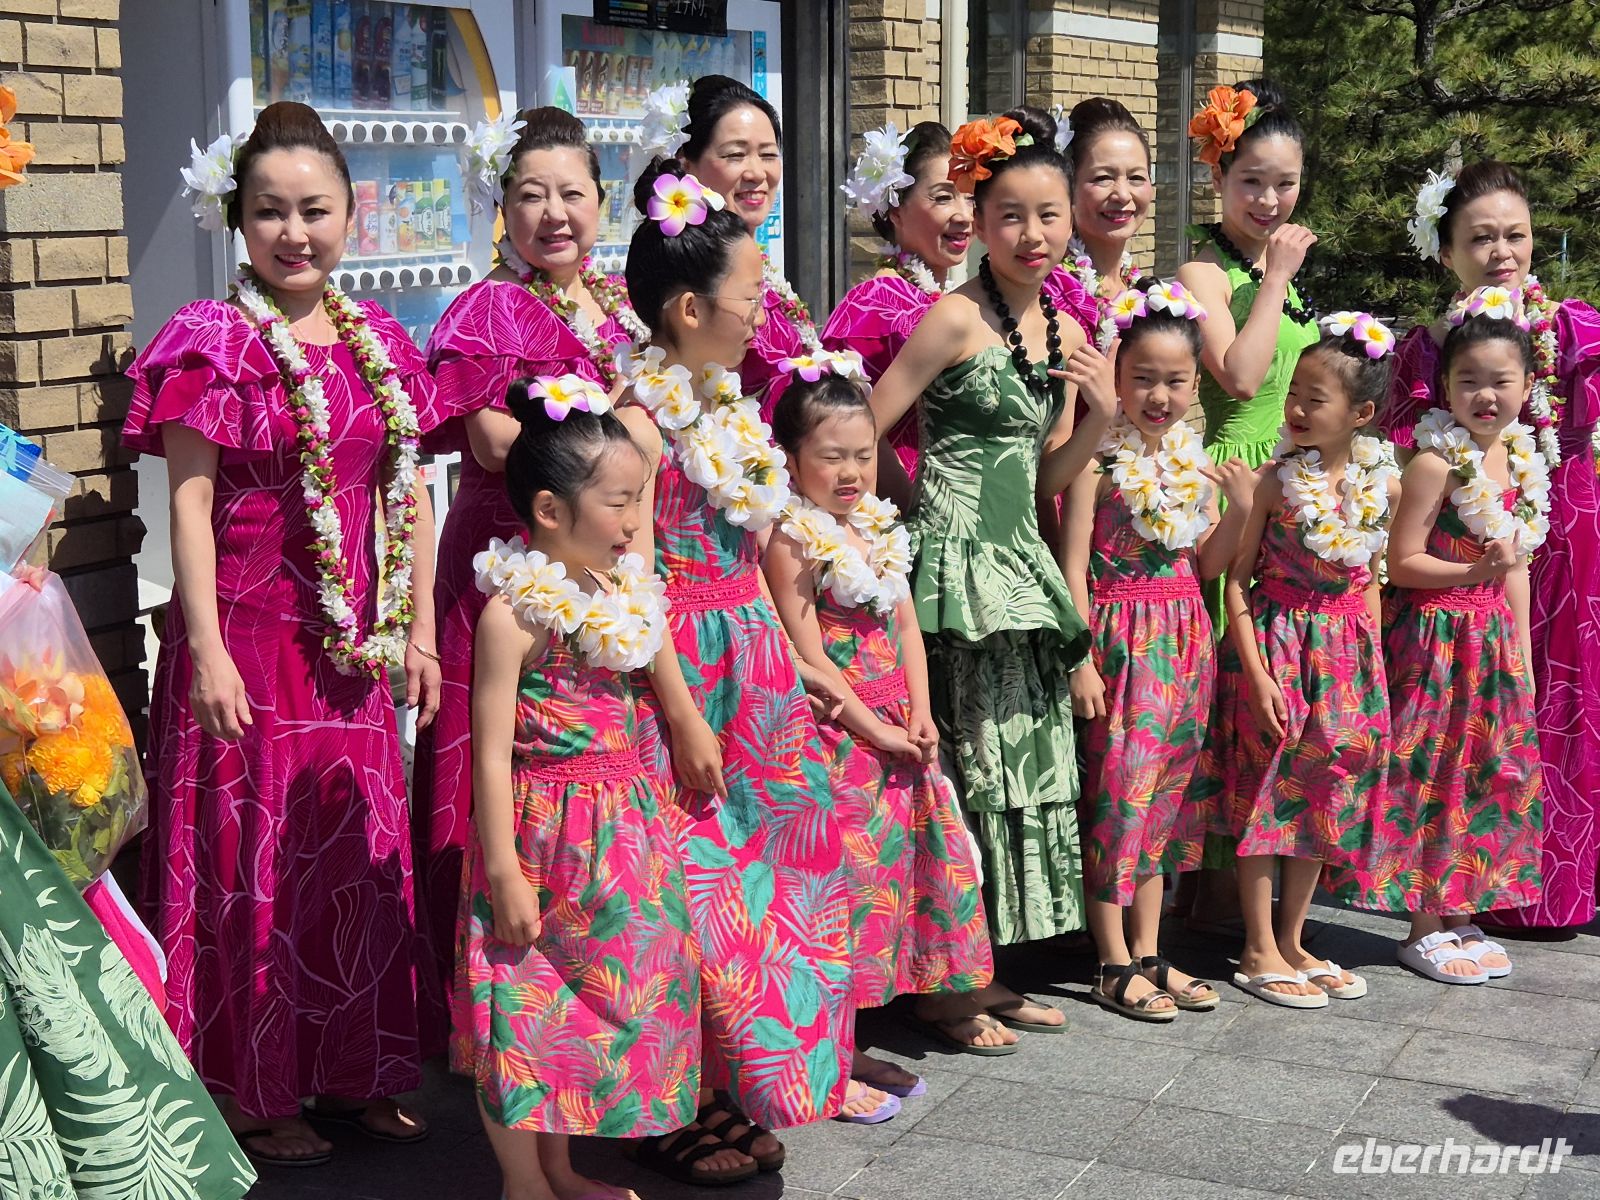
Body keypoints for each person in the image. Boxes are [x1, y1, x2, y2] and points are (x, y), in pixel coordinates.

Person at [124, 101, 440, 1166]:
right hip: (249, 637)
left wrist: (420, 631)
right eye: (270, 213)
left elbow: (413, 494)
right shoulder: (209, 343)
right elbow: (188, 507)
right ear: (237, 222)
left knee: (351, 856)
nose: (293, 233)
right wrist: (202, 645)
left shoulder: (382, 342)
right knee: (251, 858)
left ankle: (352, 1072)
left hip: (350, 649)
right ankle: (253, 1090)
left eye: (314, 210)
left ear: (354, 214)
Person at [612, 160, 857, 1185]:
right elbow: (632, 581)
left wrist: (798, 662)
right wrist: (681, 714)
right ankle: (682, 1101)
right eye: (749, 295)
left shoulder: (732, 405)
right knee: (692, 894)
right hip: (680, 672)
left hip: (749, 661)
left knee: (770, 883)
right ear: (686, 306)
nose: (762, 312)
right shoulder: (635, 419)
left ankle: (741, 1082)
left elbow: (758, 550)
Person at [868, 107, 1115, 1045]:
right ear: (982, 219)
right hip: (953, 574)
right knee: (964, 770)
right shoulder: (952, 317)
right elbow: (868, 427)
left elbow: (1049, 477)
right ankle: (943, 986)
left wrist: (1096, 417)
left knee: (1018, 764)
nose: (1034, 234)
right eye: (1011, 215)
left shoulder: (1059, 324)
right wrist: (921, 512)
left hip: (1021, 564)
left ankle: (982, 965)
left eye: (1049, 215)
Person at [414, 106, 646, 1043]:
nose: (554, 213)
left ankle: (586, 984)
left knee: (586, 765)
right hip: (504, 563)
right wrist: (614, 441)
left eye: (573, 194)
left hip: (600, 561)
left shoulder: (621, 302)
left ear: (603, 201)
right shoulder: (486, 309)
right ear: (499, 205)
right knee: (495, 753)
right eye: (529, 194)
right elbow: (493, 438)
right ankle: (478, 1004)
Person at [453, 377, 700, 1200]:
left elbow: (649, 671)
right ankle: (524, 1183)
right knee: (520, 1007)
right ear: (552, 512)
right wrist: (501, 871)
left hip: (622, 823)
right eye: (620, 502)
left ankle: (561, 1166)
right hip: (540, 832)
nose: (635, 521)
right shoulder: (514, 616)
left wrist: (685, 727)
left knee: (590, 1002)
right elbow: (488, 754)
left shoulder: (616, 588)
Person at [1380, 160, 1600, 934]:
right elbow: (1404, 451)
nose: (1502, 251)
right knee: (1479, 712)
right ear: (1447, 251)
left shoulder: (1576, 326)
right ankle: (1476, 890)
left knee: (1571, 698)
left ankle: (1565, 885)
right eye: (1481, 238)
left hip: (1570, 529)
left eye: (1516, 234)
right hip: (1466, 547)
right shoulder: (1431, 347)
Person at [765, 367, 994, 1098]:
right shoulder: (791, 540)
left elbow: (904, 625)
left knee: (899, 877)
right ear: (793, 457)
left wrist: (920, 714)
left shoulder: (876, 525)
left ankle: (887, 1018)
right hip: (840, 735)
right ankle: (835, 1053)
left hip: (898, 723)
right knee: (846, 889)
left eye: (863, 455)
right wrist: (874, 730)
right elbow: (808, 657)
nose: (851, 471)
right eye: (832, 456)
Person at [1059, 278, 1250, 1020]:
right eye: (1142, 378)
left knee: (1164, 803)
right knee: (1118, 798)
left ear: (1196, 382)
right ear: (1116, 378)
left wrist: (1235, 511)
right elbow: (1072, 565)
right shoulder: (1096, 464)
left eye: (1174, 381)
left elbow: (1206, 563)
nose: (1158, 395)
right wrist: (1079, 658)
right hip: (1118, 640)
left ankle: (1150, 950)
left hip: (1183, 641)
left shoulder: (1194, 467)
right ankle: (1110, 960)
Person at [1200, 315, 1399, 1007]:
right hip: (1280, 644)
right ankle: (1256, 945)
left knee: (1325, 795)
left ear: (1362, 414)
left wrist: (1370, 670)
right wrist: (1255, 673)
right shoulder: (1273, 481)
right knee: (1265, 793)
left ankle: (1292, 937)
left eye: (1317, 398)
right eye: (1296, 393)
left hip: (1346, 654)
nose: (1298, 408)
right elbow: (1234, 580)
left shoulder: (1386, 486)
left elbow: (1371, 577)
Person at [1350, 304, 1547, 982]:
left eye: (1501, 381)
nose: (1485, 396)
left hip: (1489, 639)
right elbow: (1402, 564)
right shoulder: (1434, 463)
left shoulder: (1519, 459)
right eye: (1468, 381)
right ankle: (1422, 923)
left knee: (1484, 774)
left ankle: (1465, 911)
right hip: (1435, 638)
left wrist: (1518, 649)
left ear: (1527, 387)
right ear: (1445, 388)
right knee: (1429, 776)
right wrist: (1474, 571)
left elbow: (1514, 563)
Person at [1175, 78, 1321, 932]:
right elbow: (1237, 375)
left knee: (1278, 685)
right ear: (1219, 182)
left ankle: (1248, 900)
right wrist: (1276, 278)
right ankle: (1209, 897)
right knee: (1231, 684)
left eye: (1285, 183)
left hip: (1292, 488)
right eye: (1251, 182)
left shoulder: (1282, 271)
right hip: (1235, 480)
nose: (1269, 200)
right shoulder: (1206, 270)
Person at [651, 75, 819, 415]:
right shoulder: (671, 280)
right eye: (735, 155)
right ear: (685, 162)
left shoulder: (767, 278)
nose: (757, 172)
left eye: (768, 155)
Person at [821, 120, 972, 495]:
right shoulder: (875, 304)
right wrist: (910, 509)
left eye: (970, 196)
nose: (964, 214)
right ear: (895, 210)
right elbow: (846, 424)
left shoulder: (947, 297)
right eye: (943, 197)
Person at [1061, 98, 1156, 348]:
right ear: (1069, 186)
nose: (1123, 194)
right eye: (1103, 178)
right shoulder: (1052, 292)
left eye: (1136, 177)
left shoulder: (1147, 291)